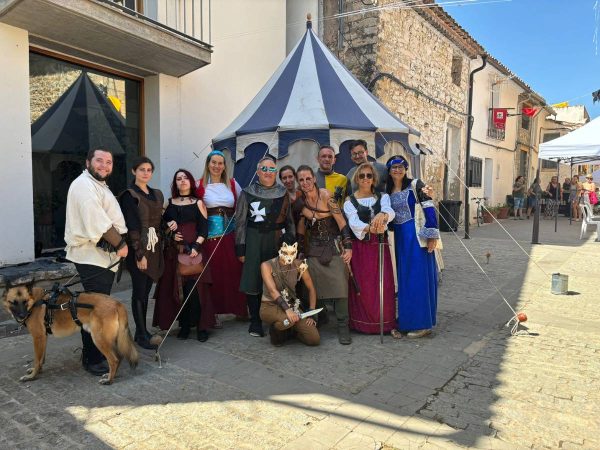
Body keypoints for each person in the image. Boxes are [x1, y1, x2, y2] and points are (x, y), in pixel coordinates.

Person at [64, 148, 128, 375]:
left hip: (101, 256)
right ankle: (92, 358)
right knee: (95, 310)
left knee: (97, 306)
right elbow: (97, 220)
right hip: (93, 255)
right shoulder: (83, 185)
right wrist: (120, 245)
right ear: (88, 162)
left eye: (108, 162)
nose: (104, 165)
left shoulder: (96, 185)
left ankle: (97, 353)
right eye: (99, 160)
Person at [235, 157, 296, 337]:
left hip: (276, 240)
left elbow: (290, 220)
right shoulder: (247, 192)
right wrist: (241, 248)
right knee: (253, 278)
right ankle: (255, 321)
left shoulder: (283, 192)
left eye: (271, 169)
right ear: (258, 171)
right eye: (264, 169)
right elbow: (240, 222)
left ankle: (275, 318)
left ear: (275, 172)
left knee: (276, 278)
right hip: (254, 240)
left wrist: (290, 244)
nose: (268, 172)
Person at [295, 165, 353, 344]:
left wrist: (348, 247)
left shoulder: (327, 196)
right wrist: (301, 253)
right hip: (314, 247)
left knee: (340, 286)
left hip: (333, 245)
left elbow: (342, 222)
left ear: (314, 178)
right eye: (301, 180)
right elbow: (301, 230)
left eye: (308, 178)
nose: (305, 182)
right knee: (314, 286)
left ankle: (343, 325)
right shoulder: (300, 202)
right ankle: (321, 317)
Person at [153, 169, 213, 342]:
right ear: (175, 183)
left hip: (194, 252)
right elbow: (160, 227)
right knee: (178, 290)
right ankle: (184, 325)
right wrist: (169, 231)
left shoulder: (198, 203)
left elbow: (204, 229)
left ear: (191, 181)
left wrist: (196, 245)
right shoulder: (169, 204)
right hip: (174, 252)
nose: (182, 181)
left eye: (185, 177)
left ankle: (202, 327)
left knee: (196, 291)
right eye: (178, 178)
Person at [386, 155, 440, 339]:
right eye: (394, 167)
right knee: (405, 280)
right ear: (389, 170)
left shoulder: (416, 184)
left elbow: (428, 206)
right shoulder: (388, 189)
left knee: (418, 278)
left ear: (406, 168)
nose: (397, 170)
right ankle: (407, 320)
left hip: (417, 236)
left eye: (401, 167)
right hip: (400, 238)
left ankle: (422, 323)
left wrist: (432, 234)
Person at [195, 150, 247, 326]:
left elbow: (242, 208)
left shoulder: (232, 184)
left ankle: (239, 309)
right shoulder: (199, 185)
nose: (217, 166)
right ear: (208, 164)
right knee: (213, 274)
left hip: (231, 236)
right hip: (210, 238)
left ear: (225, 166)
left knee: (234, 272)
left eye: (220, 163)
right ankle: (212, 314)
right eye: (213, 162)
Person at [343, 163, 396, 334]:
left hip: (380, 245)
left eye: (369, 176)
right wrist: (370, 228)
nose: (366, 179)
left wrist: (383, 214)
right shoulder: (349, 201)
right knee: (364, 285)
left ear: (374, 179)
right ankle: (362, 323)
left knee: (383, 284)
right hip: (361, 247)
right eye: (362, 176)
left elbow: (390, 211)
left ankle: (384, 322)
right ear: (357, 179)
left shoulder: (383, 197)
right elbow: (353, 222)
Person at [119, 156, 164, 349]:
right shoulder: (129, 195)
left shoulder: (157, 194)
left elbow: (160, 219)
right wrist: (139, 254)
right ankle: (142, 334)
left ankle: (140, 332)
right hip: (140, 248)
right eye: (142, 169)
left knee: (146, 290)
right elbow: (132, 226)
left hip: (154, 248)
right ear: (133, 172)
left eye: (149, 170)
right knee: (139, 291)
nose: (146, 173)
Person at [260, 242, 320, 347]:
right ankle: (275, 330)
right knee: (288, 321)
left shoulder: (300, 264)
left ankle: (293, 332)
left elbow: (311, 288)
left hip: (292, 304)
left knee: (314, 339)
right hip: (270, 305)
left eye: (292, 253)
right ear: (280, 250)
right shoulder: (266, 265)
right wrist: (288, 310)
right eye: (285, 252)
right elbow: (273, 291)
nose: (289, 256)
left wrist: (311, 313)